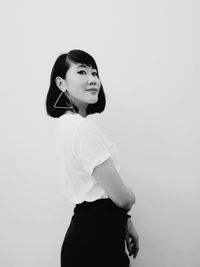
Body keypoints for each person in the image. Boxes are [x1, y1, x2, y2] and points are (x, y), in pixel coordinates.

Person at [46, 49, 139, 267]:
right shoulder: (81, 127)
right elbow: (122, 198)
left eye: (95, 73)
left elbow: (96, 189)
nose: (92, 80)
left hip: (90, 233)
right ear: (61, 83)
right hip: (96, 241)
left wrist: (125, 221)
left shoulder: (66, 125)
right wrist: (131, 197)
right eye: (82, 72)